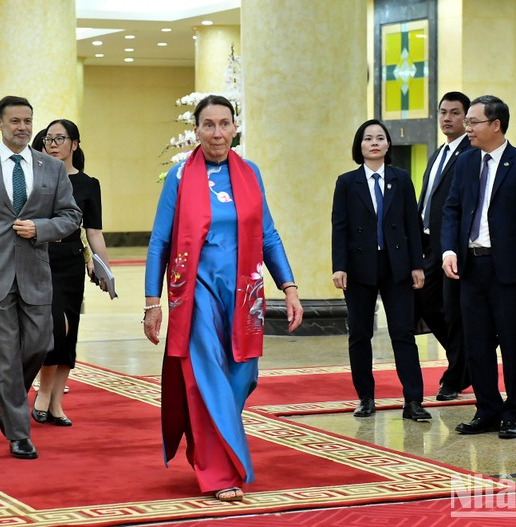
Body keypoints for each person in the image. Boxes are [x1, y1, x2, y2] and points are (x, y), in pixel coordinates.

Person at [143, 95, 302, 502]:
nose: (217, 132)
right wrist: (152, 301)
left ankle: (205, 441)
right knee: (207, 377)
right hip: (196, 293)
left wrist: (289, 286)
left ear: (235, 128)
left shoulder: (250, 174)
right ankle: (218, 474)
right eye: (208, 125)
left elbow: (268, 234)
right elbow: (161, 240)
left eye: (224, 124)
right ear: (195, 131)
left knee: (243, 377)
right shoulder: (179, 177)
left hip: (245, 293)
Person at [0, 96, 81, 459]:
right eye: (14, 121)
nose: (22, 127)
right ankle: (19, 433)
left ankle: (9, 405)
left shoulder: (51, 168)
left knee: (41, 344)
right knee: (5, 356)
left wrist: (39, 227)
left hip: (35, 273)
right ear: (0, 124)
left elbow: (71, 216)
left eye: (27, 121)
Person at [441, 95, 516, 439]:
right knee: (477, 342)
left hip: (508, 268)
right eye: (467, 122)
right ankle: (487, 409)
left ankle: (515, 412)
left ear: (496, 125)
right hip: (471, 266)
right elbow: (452, 209)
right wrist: (447, 249)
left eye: (473, 122)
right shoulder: (465, 162)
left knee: (511, 341)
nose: (467, 127)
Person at [332, 119, 430, 422]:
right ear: (359, 146)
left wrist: (417, 265)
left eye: (380, 138)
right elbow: (340, 227)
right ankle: (365, 397)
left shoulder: (400, 179)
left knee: (403, 333)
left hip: (396, 265)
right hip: (359, 267)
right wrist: (339, 266)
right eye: (367, 138)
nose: (374, 142)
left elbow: (412, 226)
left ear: (388, 145)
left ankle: (413, 400)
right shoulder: (347, 182)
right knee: (360, 334)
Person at [32, 118, 110, 427]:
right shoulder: (37, 179)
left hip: (71, 261)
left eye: (59, 139)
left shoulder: (88, 184)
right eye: (49, 139)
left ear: (74, 145)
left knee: (69, 330)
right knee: (53, 327)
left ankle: (56, 404)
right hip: (40, 259)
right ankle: (43, 391)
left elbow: (94, 232)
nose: (52, 144)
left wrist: (103, 269)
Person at [414, 91, 472, 402]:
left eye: (454, 113)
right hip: (427, 243)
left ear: (466, 118)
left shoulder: (469, 153)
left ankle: (456, 374)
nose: (447, 118)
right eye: (443, 112)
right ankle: (467, 360)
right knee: (424, 302)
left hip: (451, 246)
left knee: (453, 312)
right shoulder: (438, 154)